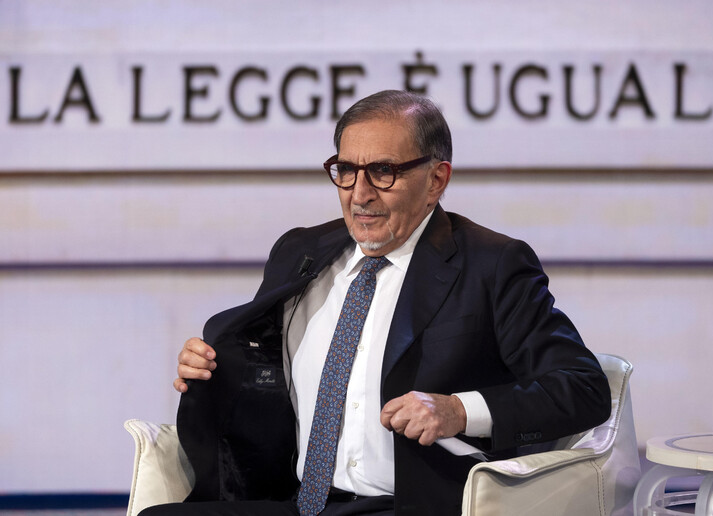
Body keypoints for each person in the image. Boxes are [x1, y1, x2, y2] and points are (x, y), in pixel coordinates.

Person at [145, 90, 611, 516]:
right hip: (298, 502)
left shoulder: (492, 264)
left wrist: (458, 410)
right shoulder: (299, 252)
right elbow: (263, 367)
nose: (360, 194)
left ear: (436, 179)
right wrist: (212, 367)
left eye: (383, 172)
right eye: (346, 171)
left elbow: (583, 388)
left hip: (408, 505)